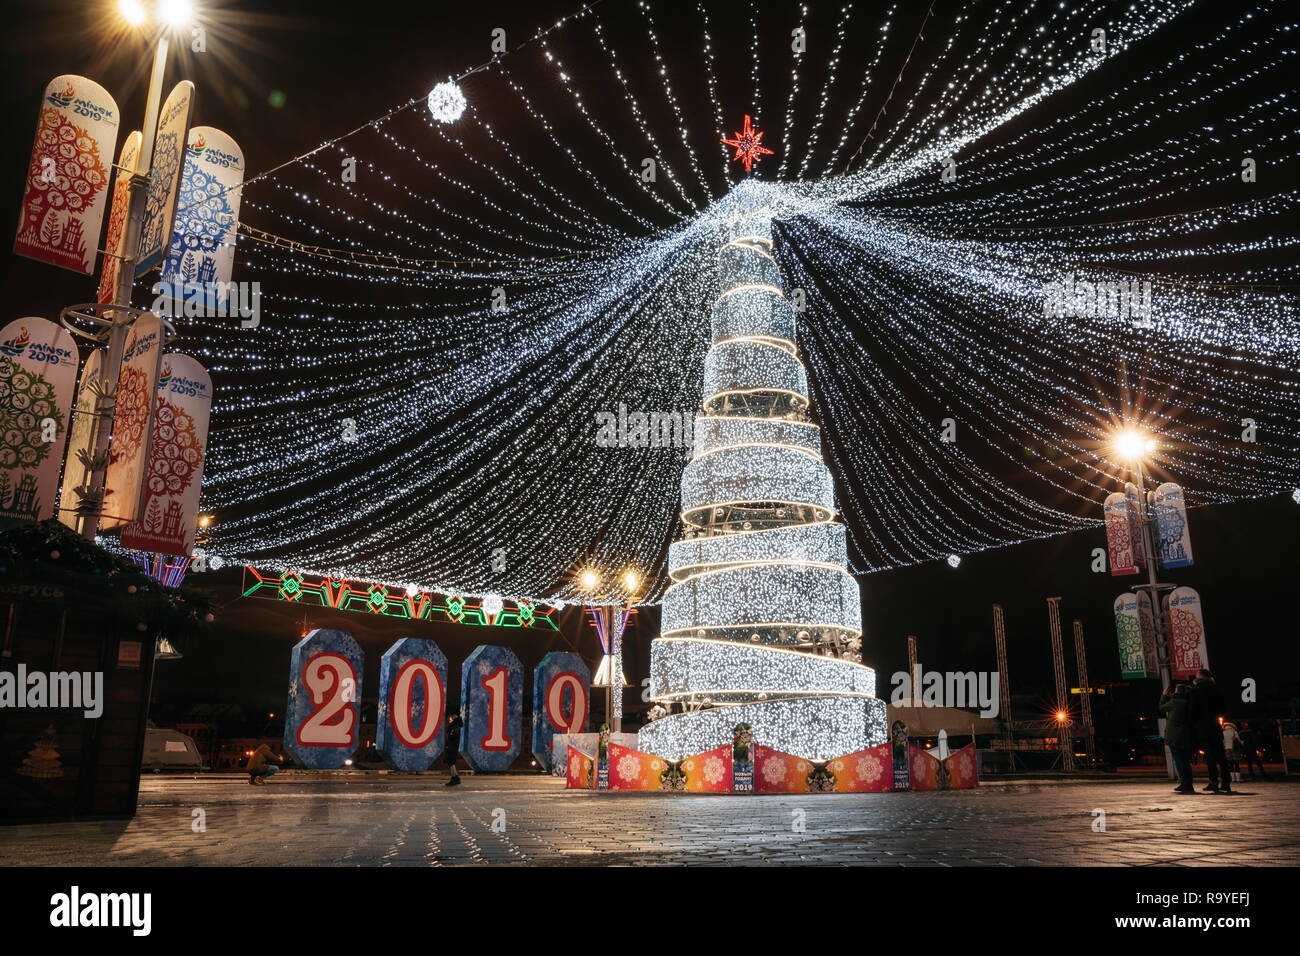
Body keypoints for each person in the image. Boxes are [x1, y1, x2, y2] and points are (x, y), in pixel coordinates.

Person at [1188, 669, 1232, 793]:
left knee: (1210, 755)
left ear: (1199, 677)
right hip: (1215, 725)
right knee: (1221, 756)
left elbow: (1192, 710)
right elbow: (1223, 709)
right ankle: (1226, 782)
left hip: (1203, 726)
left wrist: (1194, 723)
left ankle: (1213, 782)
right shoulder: (1216, 690)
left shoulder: (1196, 690)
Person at [1159, 683, 1195, 794]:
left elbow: (1161, 708)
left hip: (1174, 735)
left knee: (1179, 760)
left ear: (1177, 692)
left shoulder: (1174, 702)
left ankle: (1184, 783)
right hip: (1185, 735)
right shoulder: (1188, 702)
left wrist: (1164, 696)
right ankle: (1188, 783)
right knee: (1185, 760)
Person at [444, 712, 464, 786]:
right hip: (453, 747)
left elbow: (452, 738)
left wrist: (448, 745)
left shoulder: (454, 728)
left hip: (452, 747)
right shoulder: (456, 727)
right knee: (451, 763)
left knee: (451, 763)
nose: (449, 720)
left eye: (450, 719)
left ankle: (454, 777)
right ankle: (455, 777)